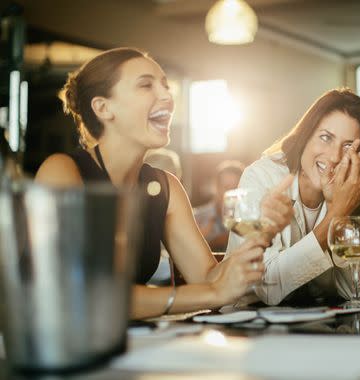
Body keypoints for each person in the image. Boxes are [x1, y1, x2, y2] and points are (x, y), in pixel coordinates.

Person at [35, 47, 294, 320]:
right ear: (103, 108)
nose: (167, 96)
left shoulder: (166, 187)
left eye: (165, 86)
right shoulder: (63, 171)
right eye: (146, 85)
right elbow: (82, 292)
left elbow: (206, 277)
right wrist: (214, 293)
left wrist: (260, 233)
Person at [226, 88, 360, 306]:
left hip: (315, 326)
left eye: (349, 146)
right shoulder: (261, 177)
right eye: (325, 137)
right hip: (248, 324)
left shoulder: (349, 190)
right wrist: (336, 215)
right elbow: (266, 286)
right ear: (305, 136)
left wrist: (341, 208)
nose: (334, 156)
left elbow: (355, 290)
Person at [194, 160, 245, 251]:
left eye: (236, 187)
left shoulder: (251, 217)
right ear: (216, 187)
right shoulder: (197, 217)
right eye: (226, 187)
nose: (232, 193)